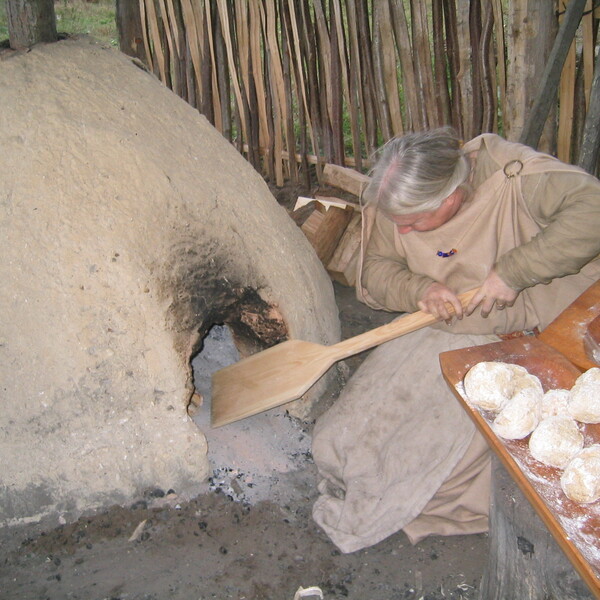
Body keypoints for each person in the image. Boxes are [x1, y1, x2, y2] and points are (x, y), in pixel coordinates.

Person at [311, 127, 600, 554]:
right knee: (348, 437)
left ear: (450, 198)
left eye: (414, 223)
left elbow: (593, 210)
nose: (403, 232)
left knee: (438, 472)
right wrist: (418, 290)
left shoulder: (516, 177)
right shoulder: (400, 202)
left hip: (535, 330)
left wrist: (515, 271)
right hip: (447, 325)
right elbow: (376, 267)